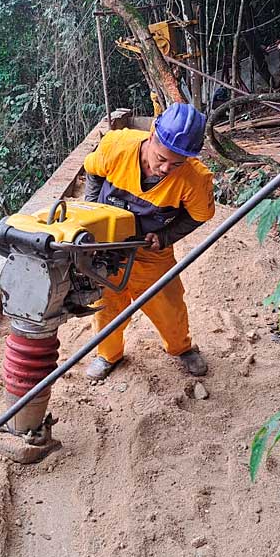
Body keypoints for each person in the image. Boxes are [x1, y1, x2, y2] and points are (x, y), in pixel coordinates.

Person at [83, 101, 215, 380]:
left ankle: (182, 348)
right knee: (106, 302)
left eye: (177, 163)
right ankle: (108, 354)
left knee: (167, 303)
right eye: (161, 158)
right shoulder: (116, 146)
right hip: (107, 245)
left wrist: (166, 236)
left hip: (150, 250)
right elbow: (93, 171)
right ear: (152, 135)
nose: (166, 168)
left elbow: (199, 216)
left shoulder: (194, 179)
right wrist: (93, 213)